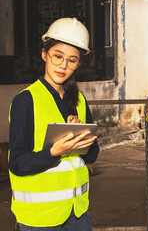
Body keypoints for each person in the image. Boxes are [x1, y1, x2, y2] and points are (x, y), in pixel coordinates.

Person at [8, 17, 99, 230]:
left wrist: (81, 139)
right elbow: (17, 163)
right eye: (57, 56)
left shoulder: (79, 100)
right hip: (40, 219)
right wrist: (53, 152)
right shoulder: (26, 101)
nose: (63, 66)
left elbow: (92, 154)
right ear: (44, 54)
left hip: (77, 214)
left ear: (79, 63)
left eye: (72, 60)